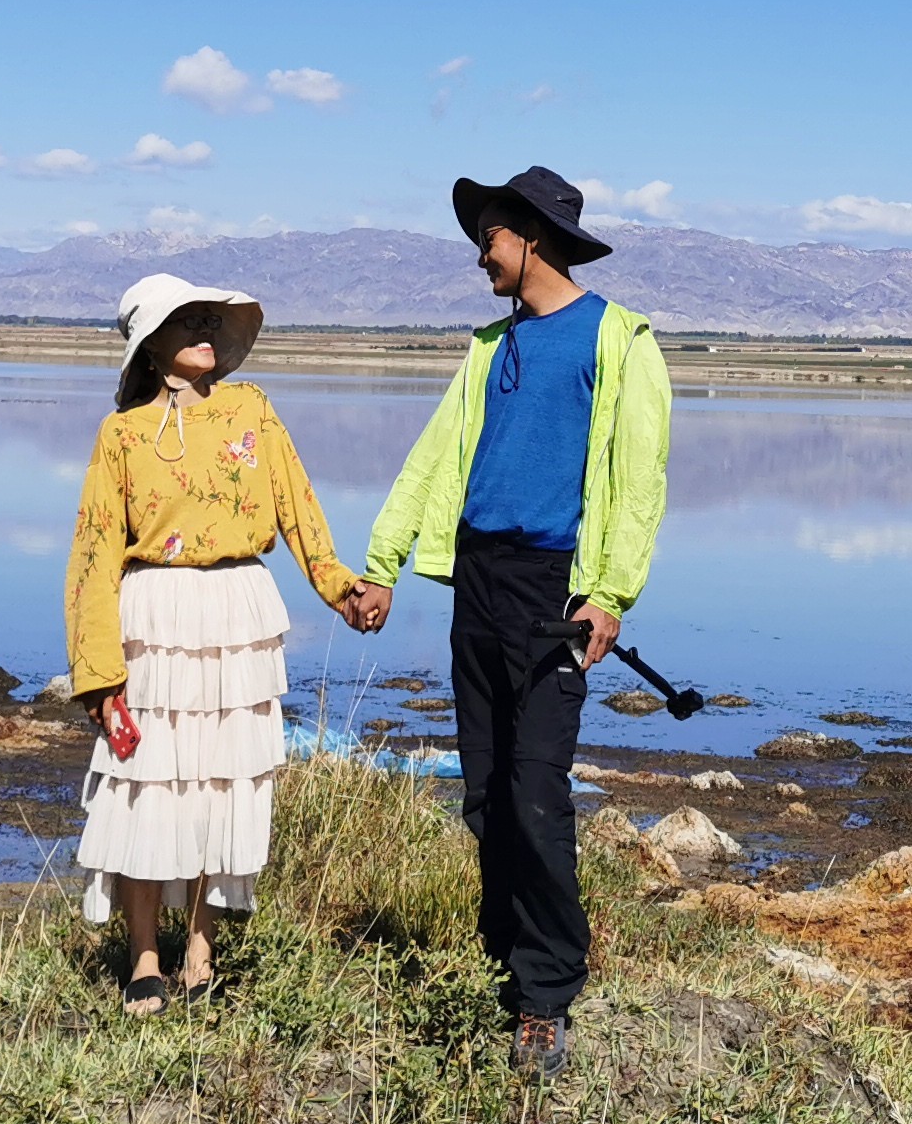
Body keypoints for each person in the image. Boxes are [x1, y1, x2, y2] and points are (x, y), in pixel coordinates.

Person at [344, 167, 671, 1077]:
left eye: (487, 238)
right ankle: (502, 962)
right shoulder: (490, 347)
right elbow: (431, 459)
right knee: (486, 795)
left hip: (554, 595)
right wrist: (383, 563)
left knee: (536, 792)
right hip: (478, 581)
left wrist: (609, 593)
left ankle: (545, 993)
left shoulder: (619, 340)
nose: (478, 255)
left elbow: (640, 481)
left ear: (530, 237)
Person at [65, 271, 370, 1016]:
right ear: (152, 344)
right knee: (146, 788)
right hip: (154, 617)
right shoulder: (122, 435)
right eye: (187, 319)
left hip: (237, 612)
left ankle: (200, 949)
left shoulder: (252, 409)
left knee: (214, 785)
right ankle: (142, 959)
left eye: (211, 318)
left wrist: (339, 586)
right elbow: (95, 555)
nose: (206, 328)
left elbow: (297, 503)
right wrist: (100, 672)